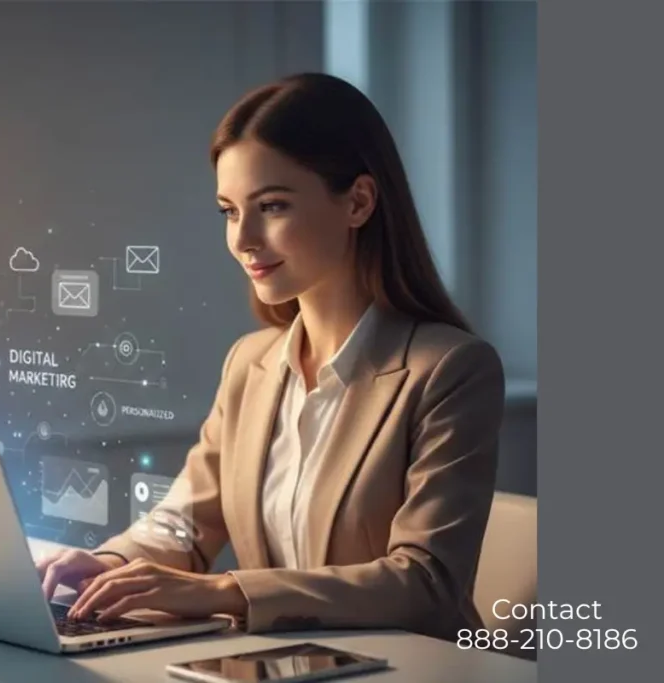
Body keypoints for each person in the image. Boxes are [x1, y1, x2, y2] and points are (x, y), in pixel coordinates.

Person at [36, 72, 505, 644]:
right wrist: (110, 565)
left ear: (358, 201)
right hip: (287, 662)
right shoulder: (250, 363)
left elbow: (427, 581)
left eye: (272, 206)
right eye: (229, 211)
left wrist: (227, 592)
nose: (244, 239)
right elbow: (187, 520)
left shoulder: (451, 369)